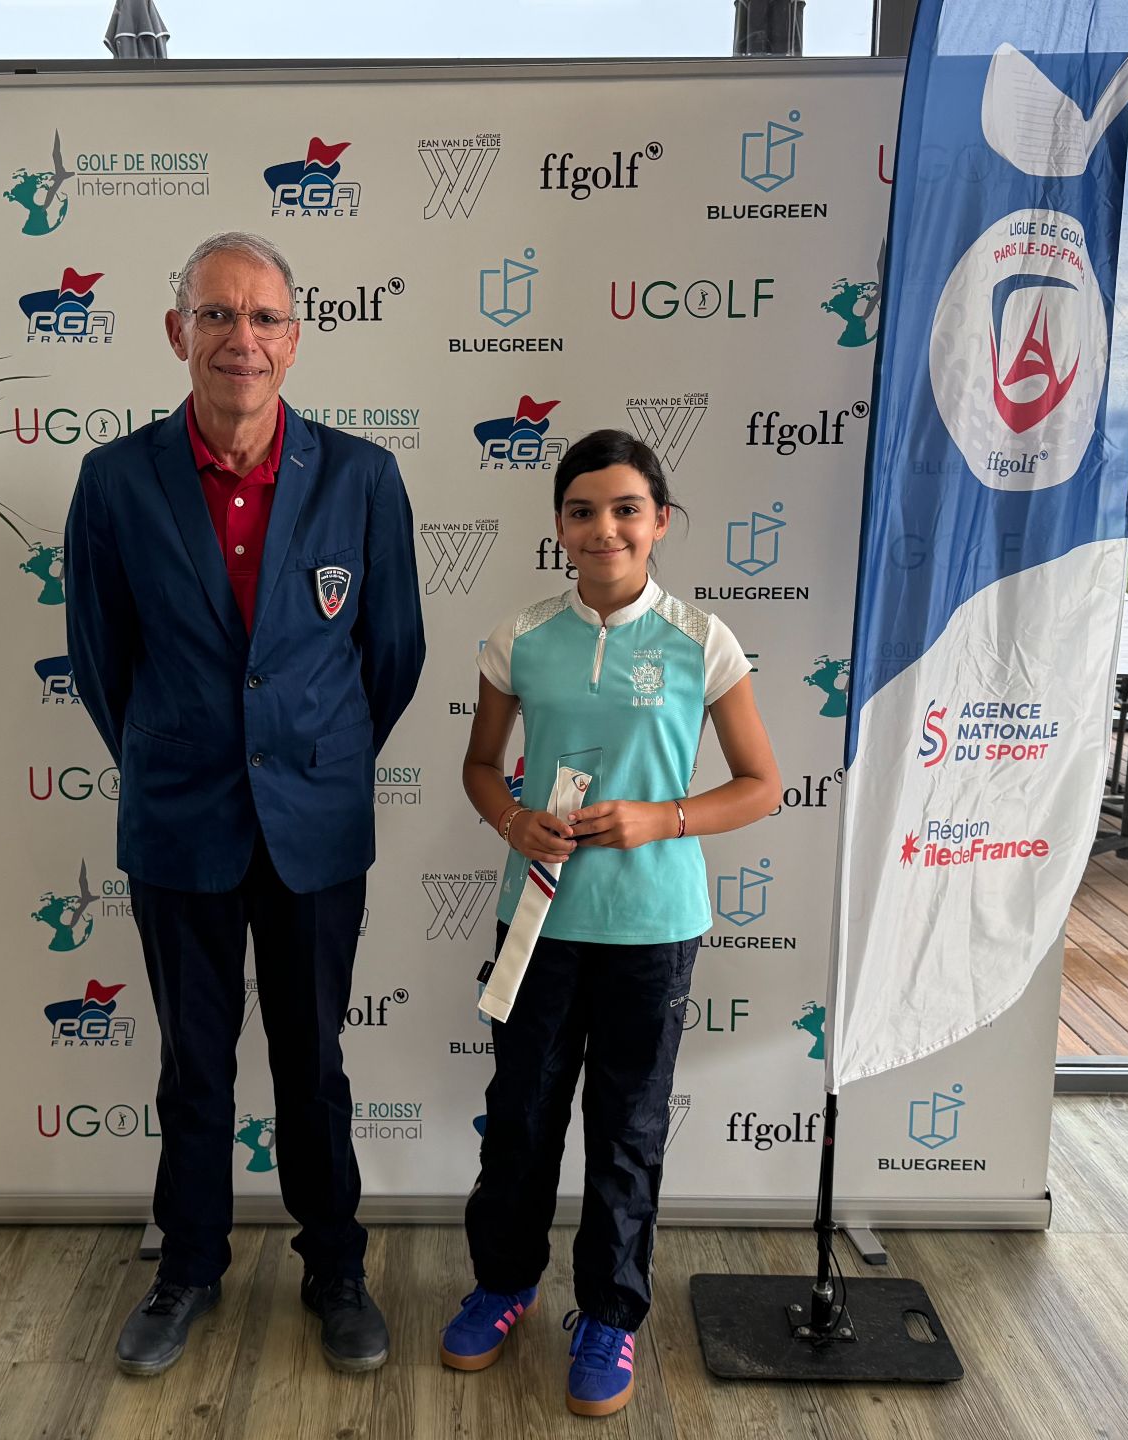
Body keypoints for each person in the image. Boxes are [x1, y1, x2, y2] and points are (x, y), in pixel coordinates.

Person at [64, 231, 425, 1378]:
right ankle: (187, 1269)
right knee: (194, 1065)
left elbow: (394, 656)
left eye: (264, 317)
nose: (242, 338)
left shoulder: (362, 478)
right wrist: (181, 755)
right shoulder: (115, 482)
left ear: (295, 339)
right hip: (180, 821)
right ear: (178, 331)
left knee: (312, 1061)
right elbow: (100, 663)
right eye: (217, 314)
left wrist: (307, 756)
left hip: (316, 824)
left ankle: (336, 1270)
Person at [442, 430, 781, 1418]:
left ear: (659, 522)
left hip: (652, 927)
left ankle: (607, 1316)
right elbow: (479, 765)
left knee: (628, 1129)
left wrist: (661, 818)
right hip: (539, 921)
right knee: (521, 1119)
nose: (605, 529)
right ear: (559, 525)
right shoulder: (520, 637)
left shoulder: (700, 641)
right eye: (583, 511)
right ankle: (504, 1284)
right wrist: (513, 820)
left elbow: (762, 786)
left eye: (627, 509)